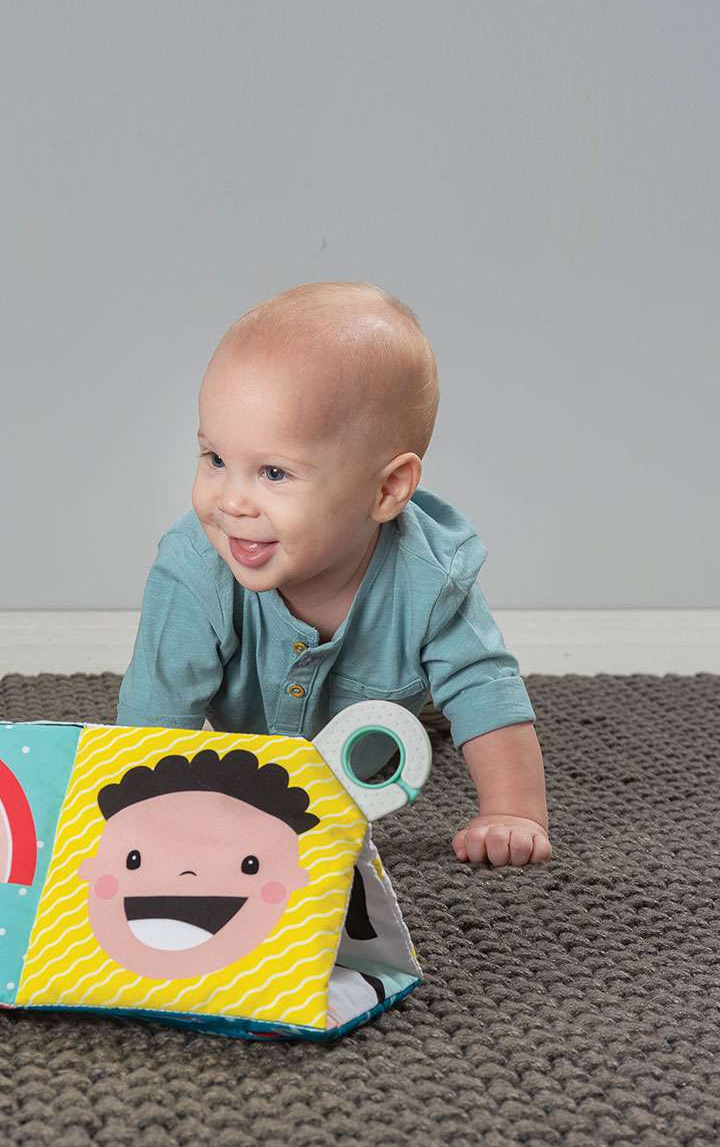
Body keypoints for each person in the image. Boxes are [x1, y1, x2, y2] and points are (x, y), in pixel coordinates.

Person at [116, 281, 551, 867]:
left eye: (273, 473)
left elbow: (485, 688)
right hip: (247, 748)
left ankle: (426, 715)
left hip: (365, 751)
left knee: (453, 695)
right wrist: (151, 819)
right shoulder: (196, 567)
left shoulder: (428, 579)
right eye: (216, 459)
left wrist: (513, 812)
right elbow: (156, 710)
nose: (232, 502)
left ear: (387, 489)